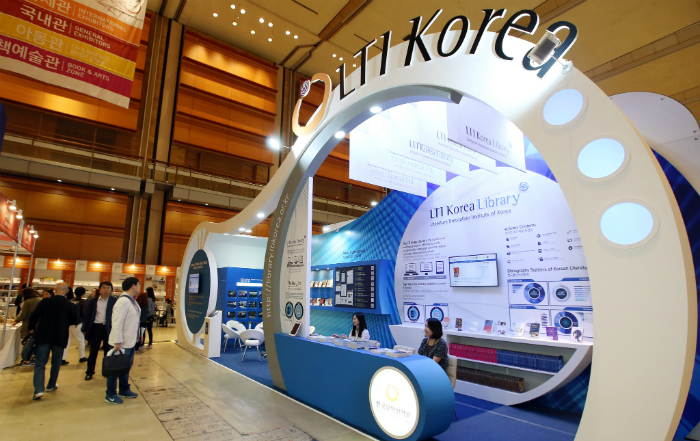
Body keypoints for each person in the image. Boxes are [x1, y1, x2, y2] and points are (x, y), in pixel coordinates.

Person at [27, 282, 78, 400]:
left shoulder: (45, 301)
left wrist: (31, 328)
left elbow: (34, 316)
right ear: (66, 291)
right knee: (56, 362)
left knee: (40, 363)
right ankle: (51, 385)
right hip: (59, 337)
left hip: (43, 335)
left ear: (55, 290)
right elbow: (74, 320)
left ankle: (39, 390)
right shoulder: (70, 305)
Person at [105, 277, 141, 404]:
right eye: (138, 285)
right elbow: (117, 322)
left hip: (129, 342)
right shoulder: (123, 302)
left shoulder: (132, 301)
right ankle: (110, 394)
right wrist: (117, 342)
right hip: (120, 343)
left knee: (125, 367)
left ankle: (124, 389)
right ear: (133, 286)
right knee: (115, 369)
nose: (139, 287)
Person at [82, 282, 118, 381]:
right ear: (100, 289)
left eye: (108, 288)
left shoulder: (115, 301)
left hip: (108, 328)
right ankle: (89, 372)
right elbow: (87, 315)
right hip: (96, 327)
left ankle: (107, 371)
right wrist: (84, 328)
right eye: (104, 288)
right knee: (93, 351)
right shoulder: (93, 301)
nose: (106, 290)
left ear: (111, 290)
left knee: (108, 351)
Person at [14, 288, 41, 366]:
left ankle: (26, 359)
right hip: (38, 325)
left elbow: (23, 315)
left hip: (29, 324)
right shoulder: (40, 300)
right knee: (33, 342)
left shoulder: (28, 302)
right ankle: (32, 357)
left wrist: (16, 321)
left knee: (27, 342)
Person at [63, 287, 88, 364]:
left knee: (67, 341)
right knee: (81, 340)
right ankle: (82, 357)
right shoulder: (83, 303)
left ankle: (62, 358)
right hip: (78, 324)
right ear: (83, 293)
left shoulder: (69, 301)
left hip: (68, 324)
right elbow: (84, 314)